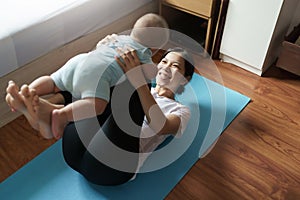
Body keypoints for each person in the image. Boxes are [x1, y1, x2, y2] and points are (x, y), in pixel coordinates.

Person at [5, 13, 169, 139]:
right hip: (97, 72)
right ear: (154, 48)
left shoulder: (119, 38)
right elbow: (151, 73)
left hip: (81, 60)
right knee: (96, 104)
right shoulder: (142, 52)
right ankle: (62, 115)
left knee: (53, 81)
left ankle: (28, 91)